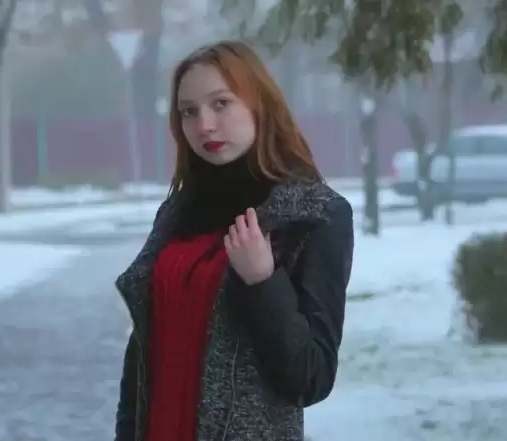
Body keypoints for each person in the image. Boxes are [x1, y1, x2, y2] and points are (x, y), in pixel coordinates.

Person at [114, 39, 354, 441]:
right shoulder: (175, 213)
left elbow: (312, 377)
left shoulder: (314, 215)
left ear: (258, 104)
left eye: (221, 103)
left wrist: (263, 283)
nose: (204, 124)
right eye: (189, 111)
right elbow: (141, 357)